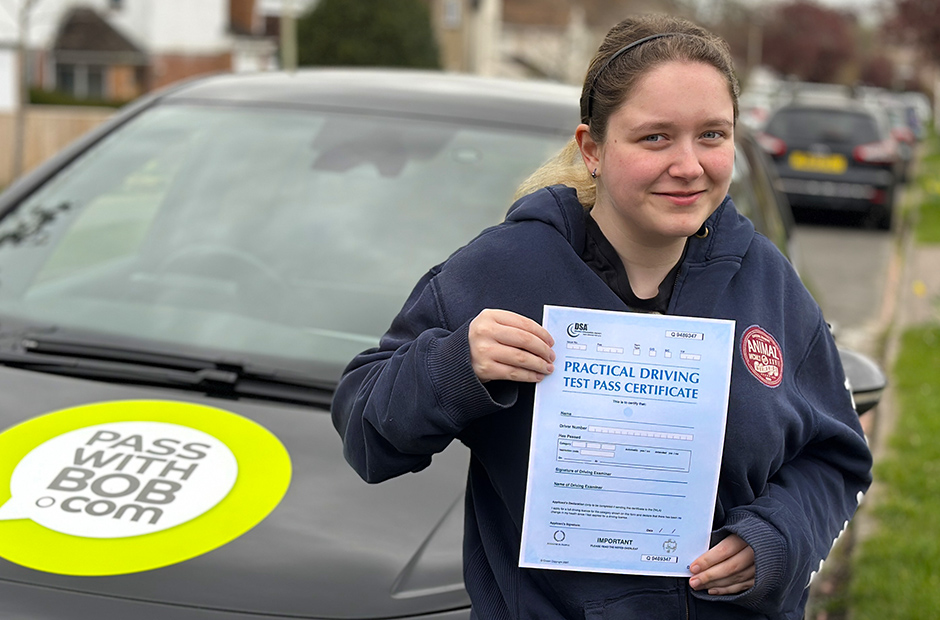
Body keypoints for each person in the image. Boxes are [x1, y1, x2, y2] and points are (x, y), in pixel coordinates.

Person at [331, 13, 872, 620]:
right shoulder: (503, 271)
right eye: (655, 138)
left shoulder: (767, 281)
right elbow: (366, 435)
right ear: (592, 148)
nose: (689, 165)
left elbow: (835, 458)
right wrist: (455, 366)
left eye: (713, 135)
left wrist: (778, 540)